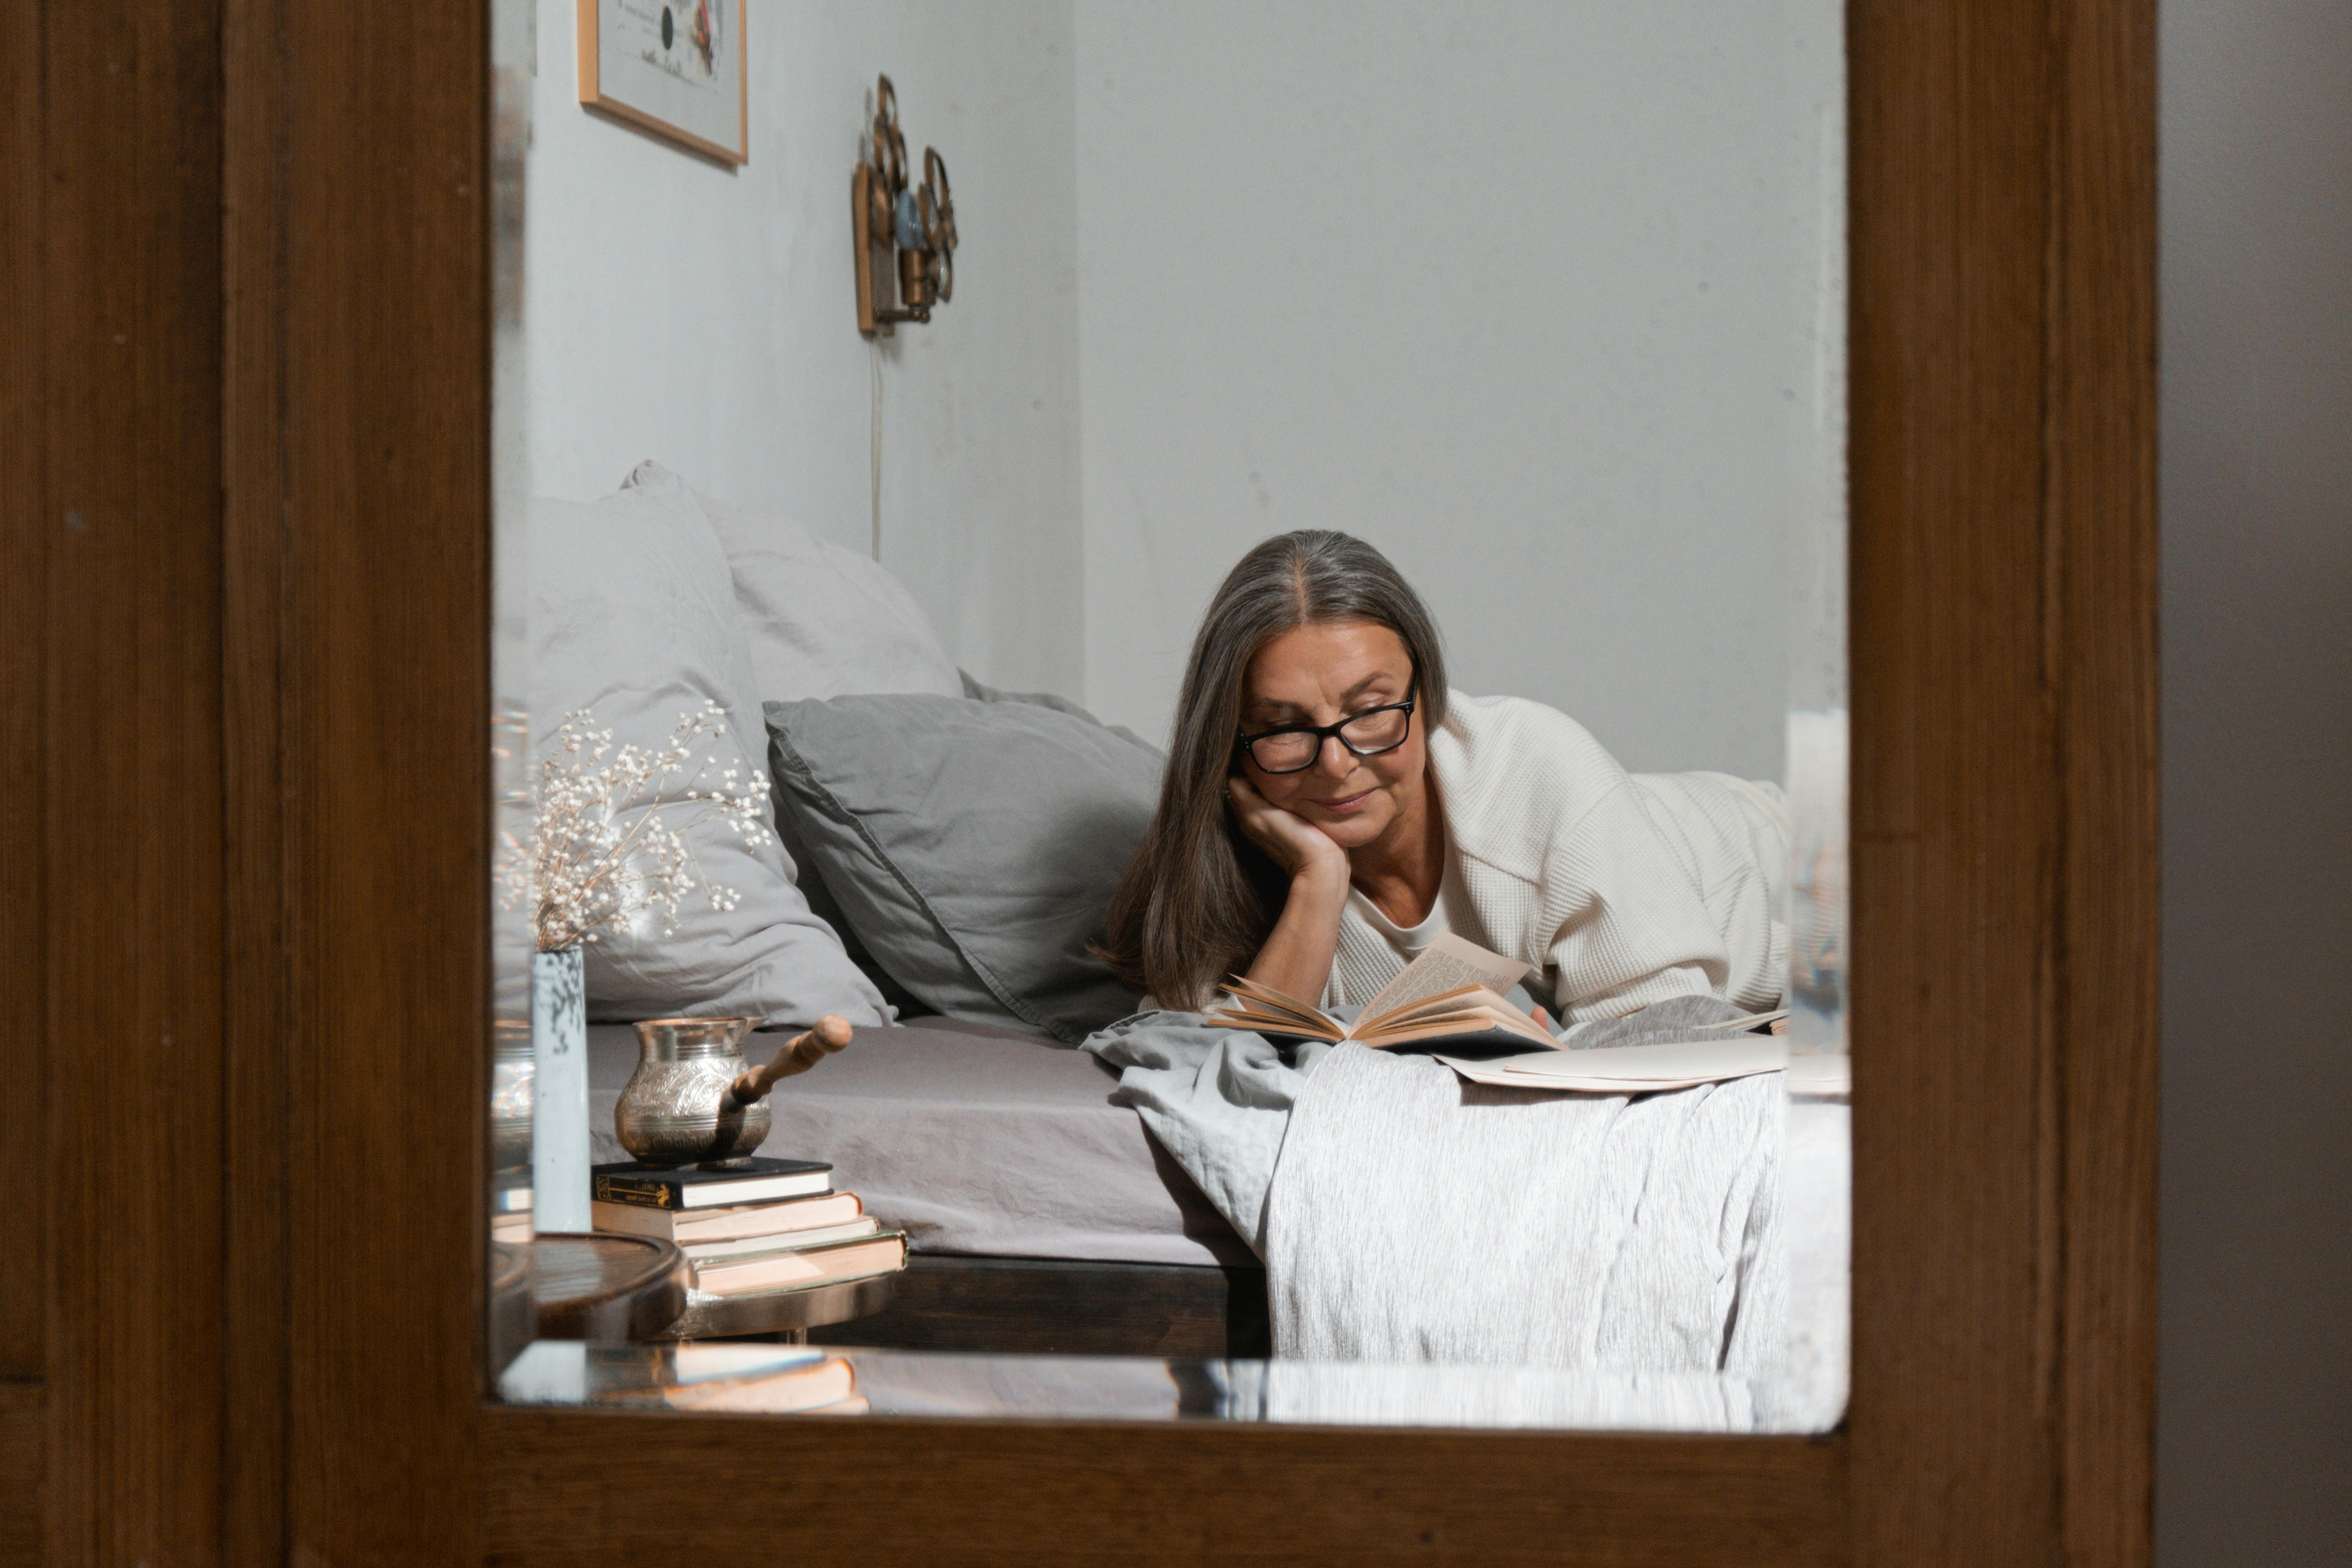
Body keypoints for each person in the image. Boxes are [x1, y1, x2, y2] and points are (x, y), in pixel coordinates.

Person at [1099, 529, 1788, 1024]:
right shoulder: (1233, 854)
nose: (1336, 764)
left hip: (1802, 876)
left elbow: (1666, 1025)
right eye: (1284, 728)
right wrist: (1318, 882)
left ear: (1428, 701)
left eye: (1371, 711)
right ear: (1230, 744)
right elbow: (1214, 1070)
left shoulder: (1538, 768)